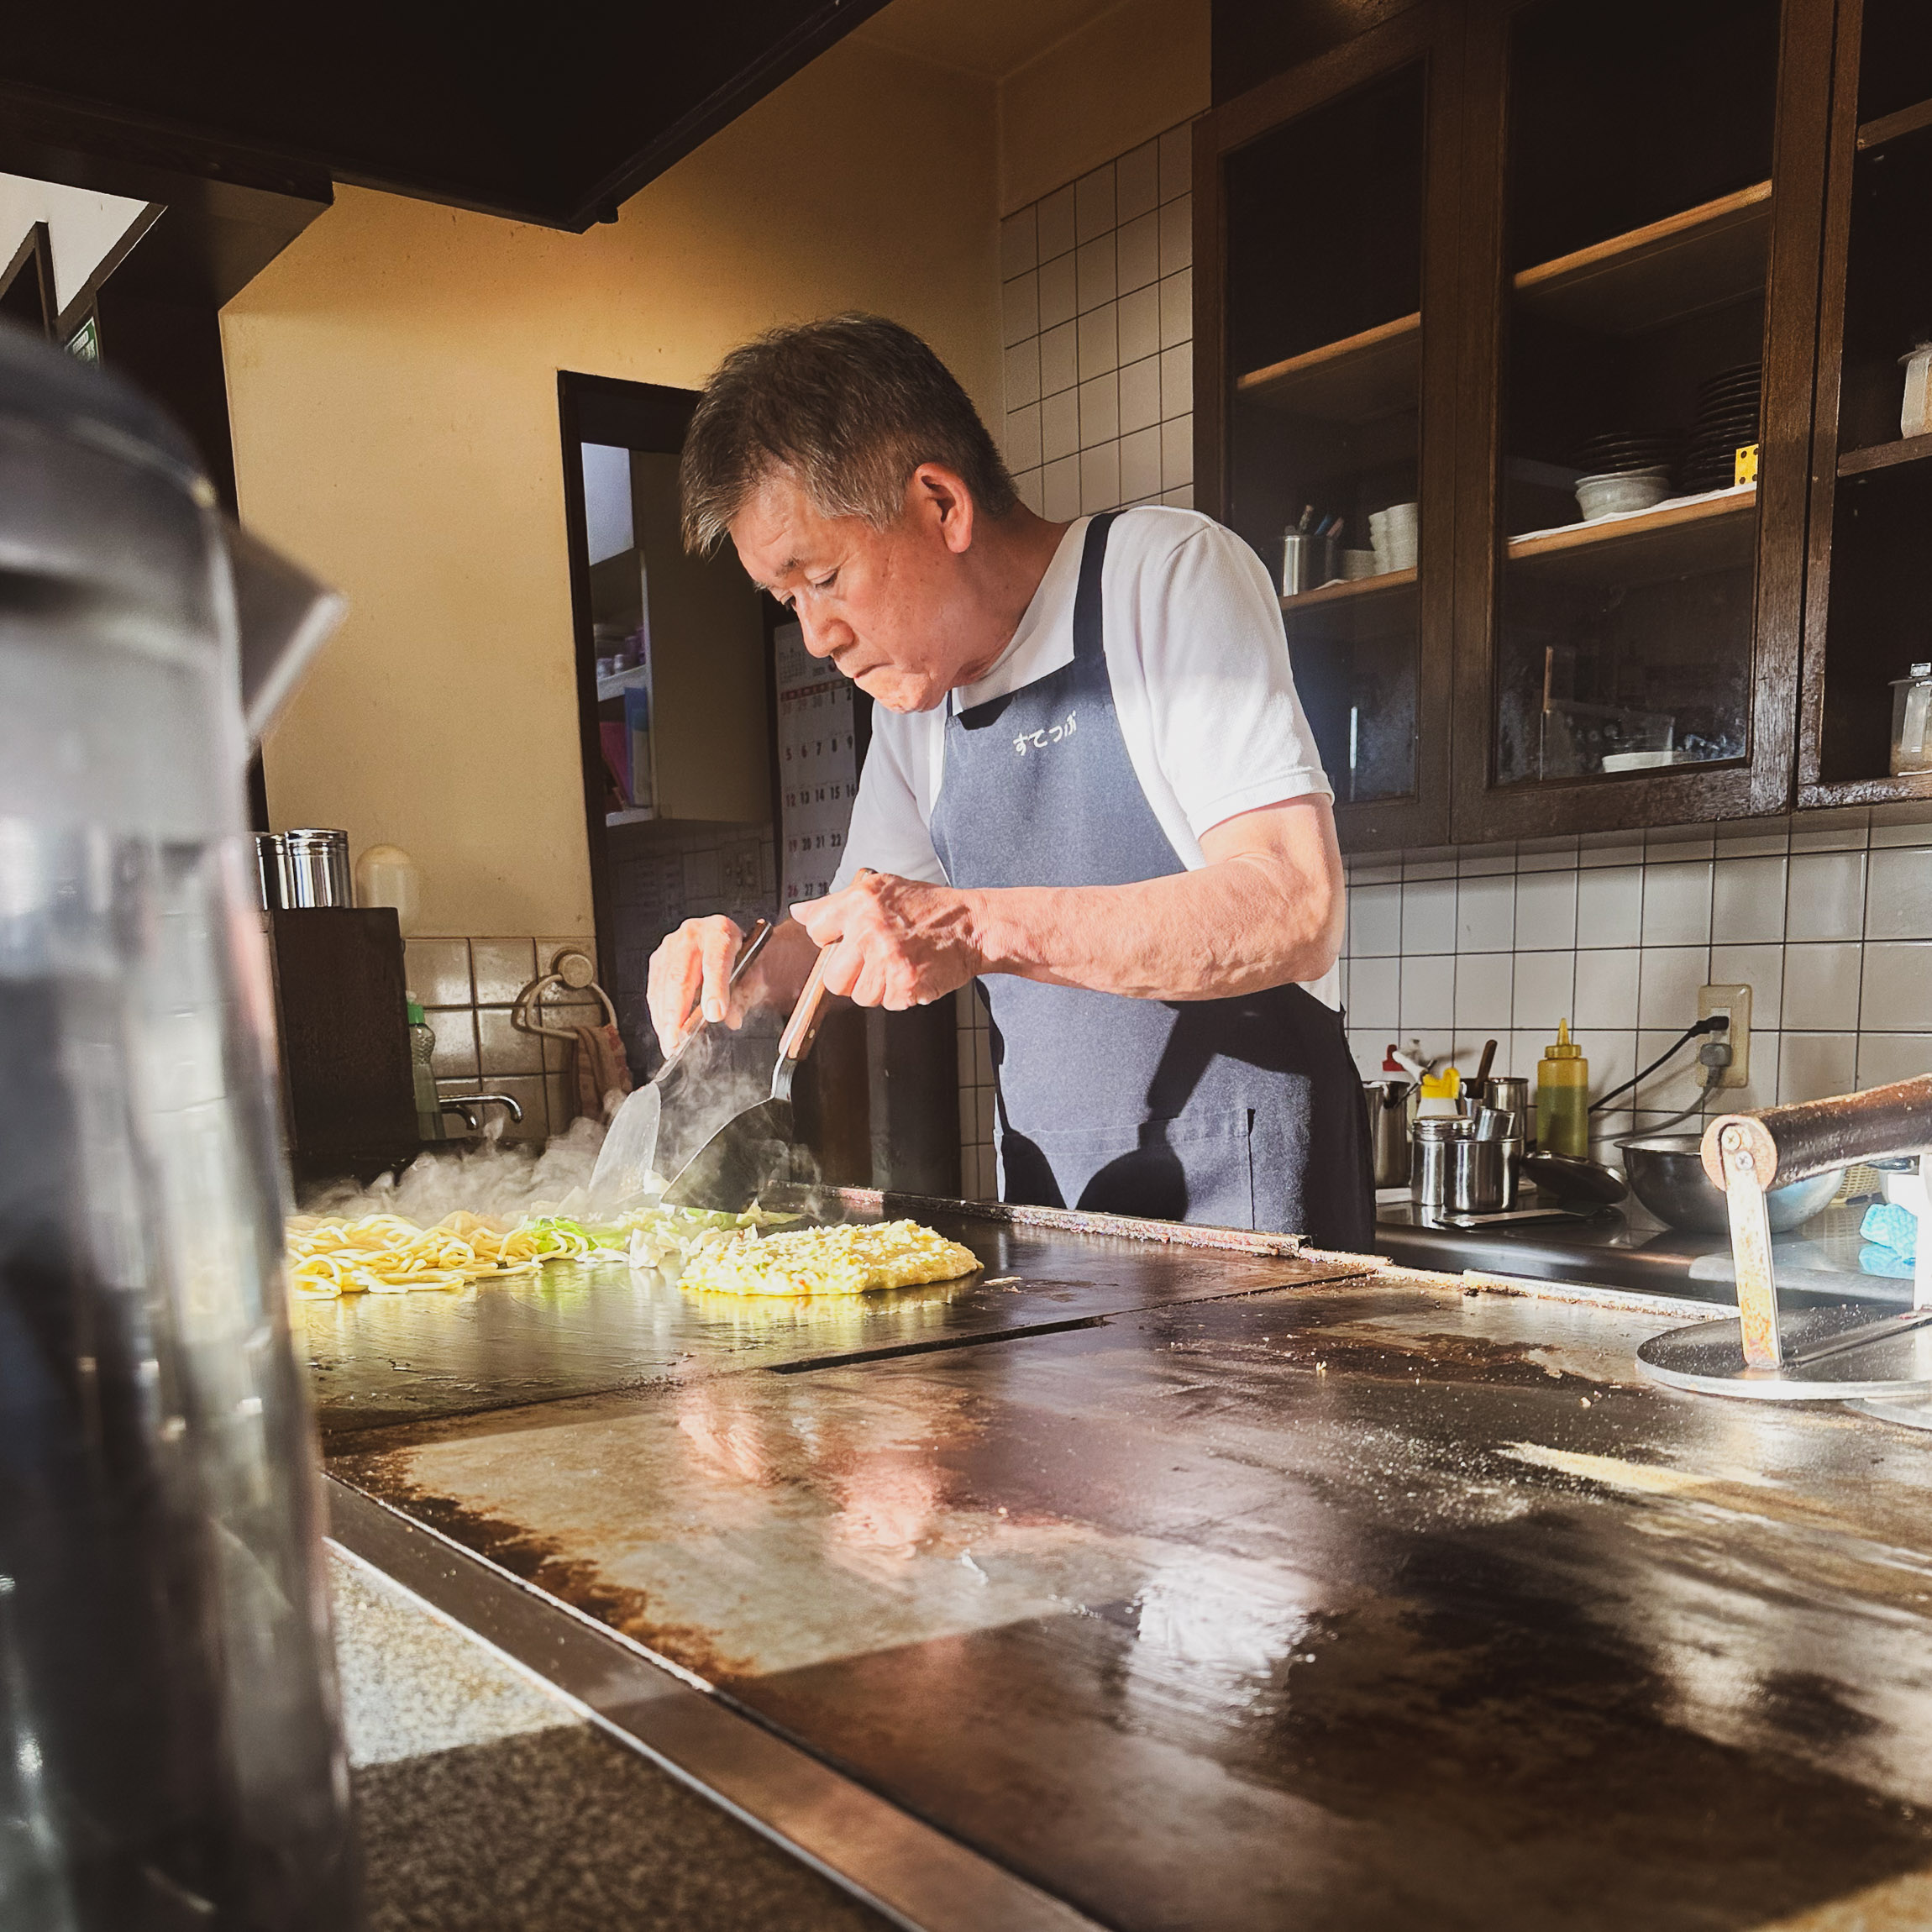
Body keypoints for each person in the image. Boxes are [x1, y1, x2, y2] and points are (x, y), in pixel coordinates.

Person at [647, 313, 1372, 1249]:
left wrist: (974, 926)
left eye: (822, 577)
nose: (816, 636)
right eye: (789, 600)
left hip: (1254, 1210)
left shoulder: (1164, 576)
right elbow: (852, 937)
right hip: (1052, 1208)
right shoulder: (916, 705)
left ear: (942, 504)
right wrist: (736, 964)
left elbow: (1294, 907)